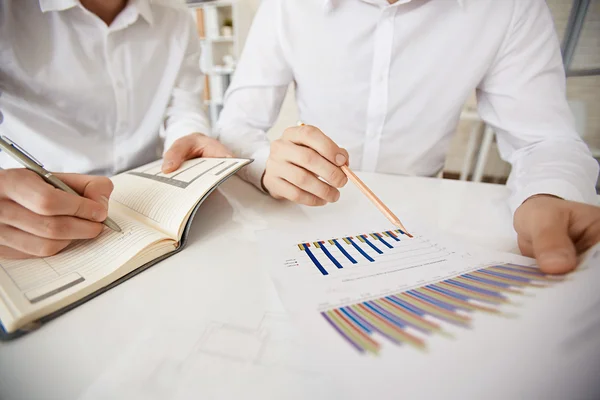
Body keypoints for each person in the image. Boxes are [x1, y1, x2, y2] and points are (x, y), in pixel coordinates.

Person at [216, 0, 600, 274]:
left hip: (422, 225)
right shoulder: (285, 6)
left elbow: (544, 139)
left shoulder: (510, 8)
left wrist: (547, 194)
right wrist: (267, 165)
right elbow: (235, 128)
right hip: (307, 218)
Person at [0, 0, 232, 259]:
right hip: (34, 216)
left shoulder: (176, 16)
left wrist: (189, 135)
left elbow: (183, 105)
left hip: (153, 195)